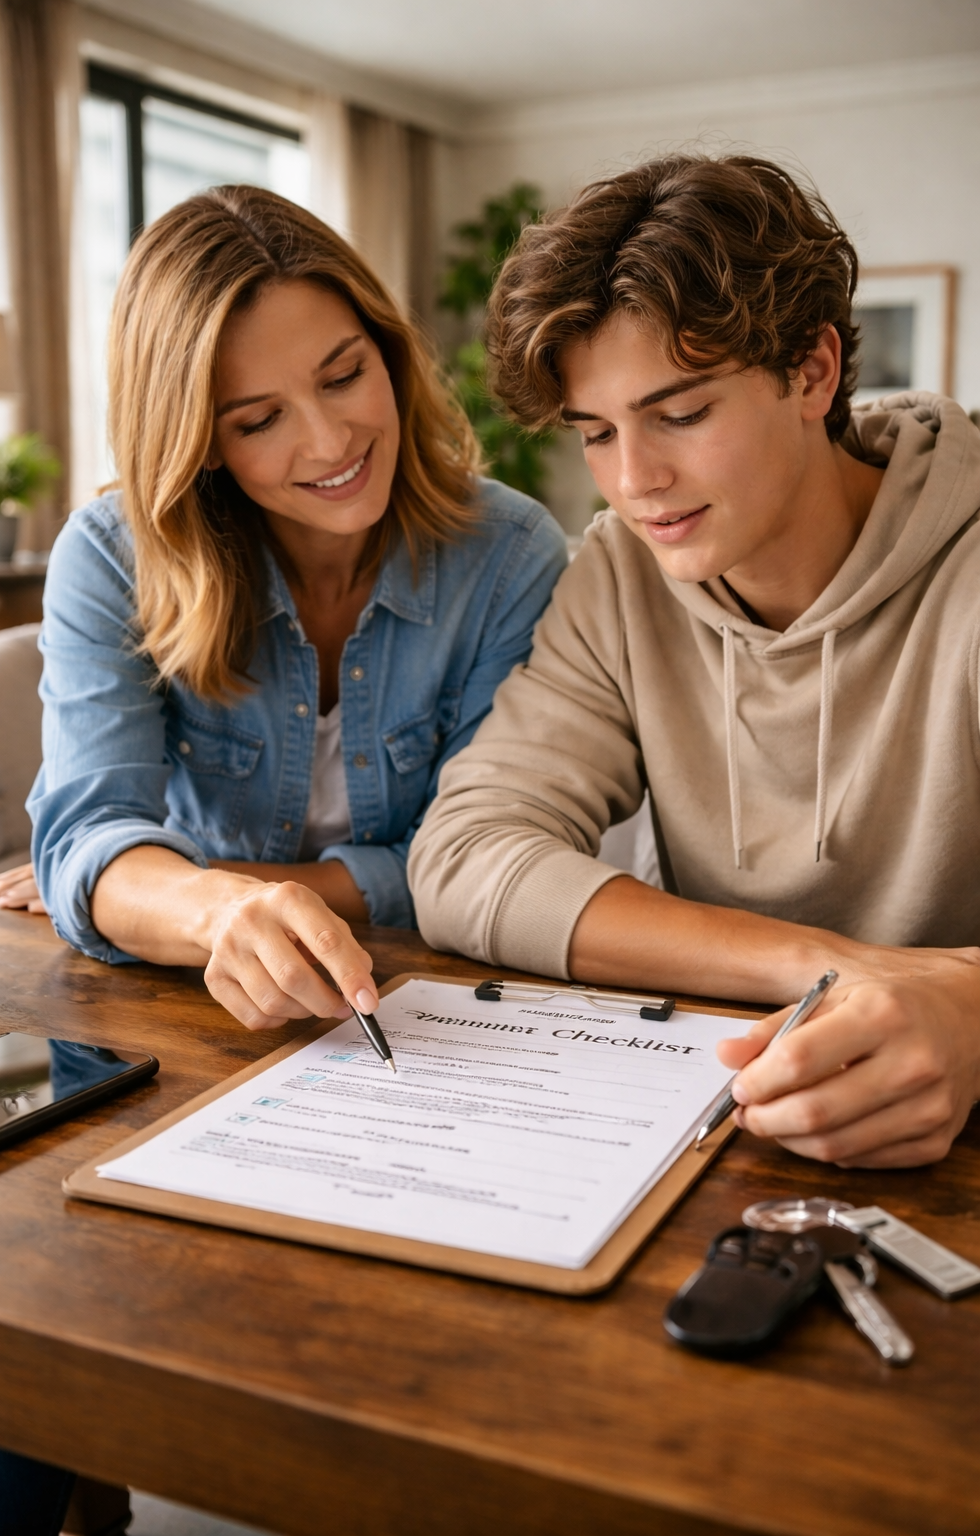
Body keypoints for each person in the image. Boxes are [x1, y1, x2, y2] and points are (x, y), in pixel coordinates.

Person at [0, 183, 564, 1533]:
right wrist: (178, 900)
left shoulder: (513, 553)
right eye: (257, 419)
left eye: (346, 374)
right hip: (187, 1038)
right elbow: (90, 835)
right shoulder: (115, 553)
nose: (333, 437)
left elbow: (502, 847)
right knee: (12, 1377)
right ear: (196, 439)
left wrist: (206, 895)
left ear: (390, 351)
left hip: (444, 1038)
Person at [409, 153, 980, 1171]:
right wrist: (844, 969)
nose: (635, 482)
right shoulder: (621, 575)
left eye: (680, 414)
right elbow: (464, 860)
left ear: (811, 372)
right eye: (595, 432)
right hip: (720, 1117)